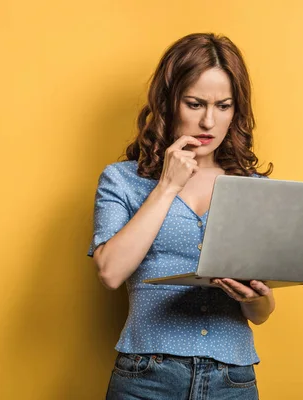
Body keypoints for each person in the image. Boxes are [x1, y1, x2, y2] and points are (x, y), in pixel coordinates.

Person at [87, 32, 275, 400]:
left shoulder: (253, 187)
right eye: (195, 103)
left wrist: (255, 296)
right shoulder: (122, 179)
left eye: (223, 105)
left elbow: (261, 313)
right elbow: (110, 272)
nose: (209, 121)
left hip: (232, 381)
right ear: (169, 102)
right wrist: (167, 187)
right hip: (146, 377)